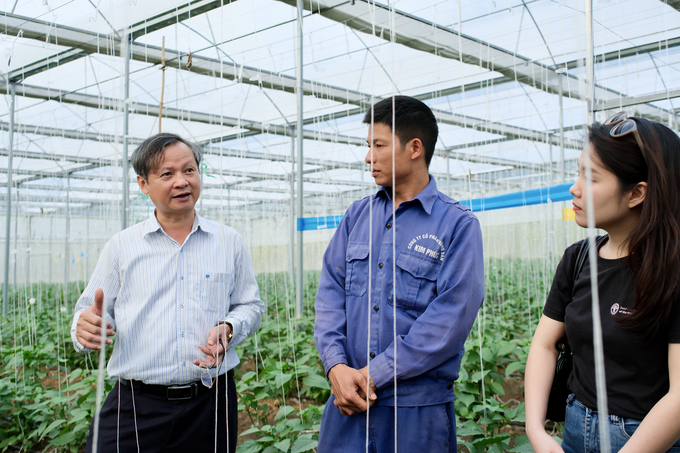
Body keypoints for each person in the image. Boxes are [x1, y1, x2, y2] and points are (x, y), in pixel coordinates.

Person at [71, 133, 265, 453]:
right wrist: (84, 326)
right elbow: (89, 311)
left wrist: (230, 328)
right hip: (136, 404)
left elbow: (250, 305)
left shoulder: (229, 241)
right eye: (167, 174)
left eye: (189, 170)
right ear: (143, 184)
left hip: (210, 401)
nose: (182, 181)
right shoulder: (123, 246)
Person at [314, 95, 485, 452]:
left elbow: (449, 320)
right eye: (367, 146)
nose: (367, 157)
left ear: (415, 148)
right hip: (347, 401)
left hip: (416, 410)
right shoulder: (356, 217)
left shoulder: (457, 225)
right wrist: (336, 367)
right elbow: (330, 295)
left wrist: (373, 373)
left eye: (378, 145)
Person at [525, 112, 680, 453]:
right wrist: (536, 430)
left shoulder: (672, 270)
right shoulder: (578, 259)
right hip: (575, 429)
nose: (574, 188)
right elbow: (544, 345)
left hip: (647, 438)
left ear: (637, 193)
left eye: (590, 178)